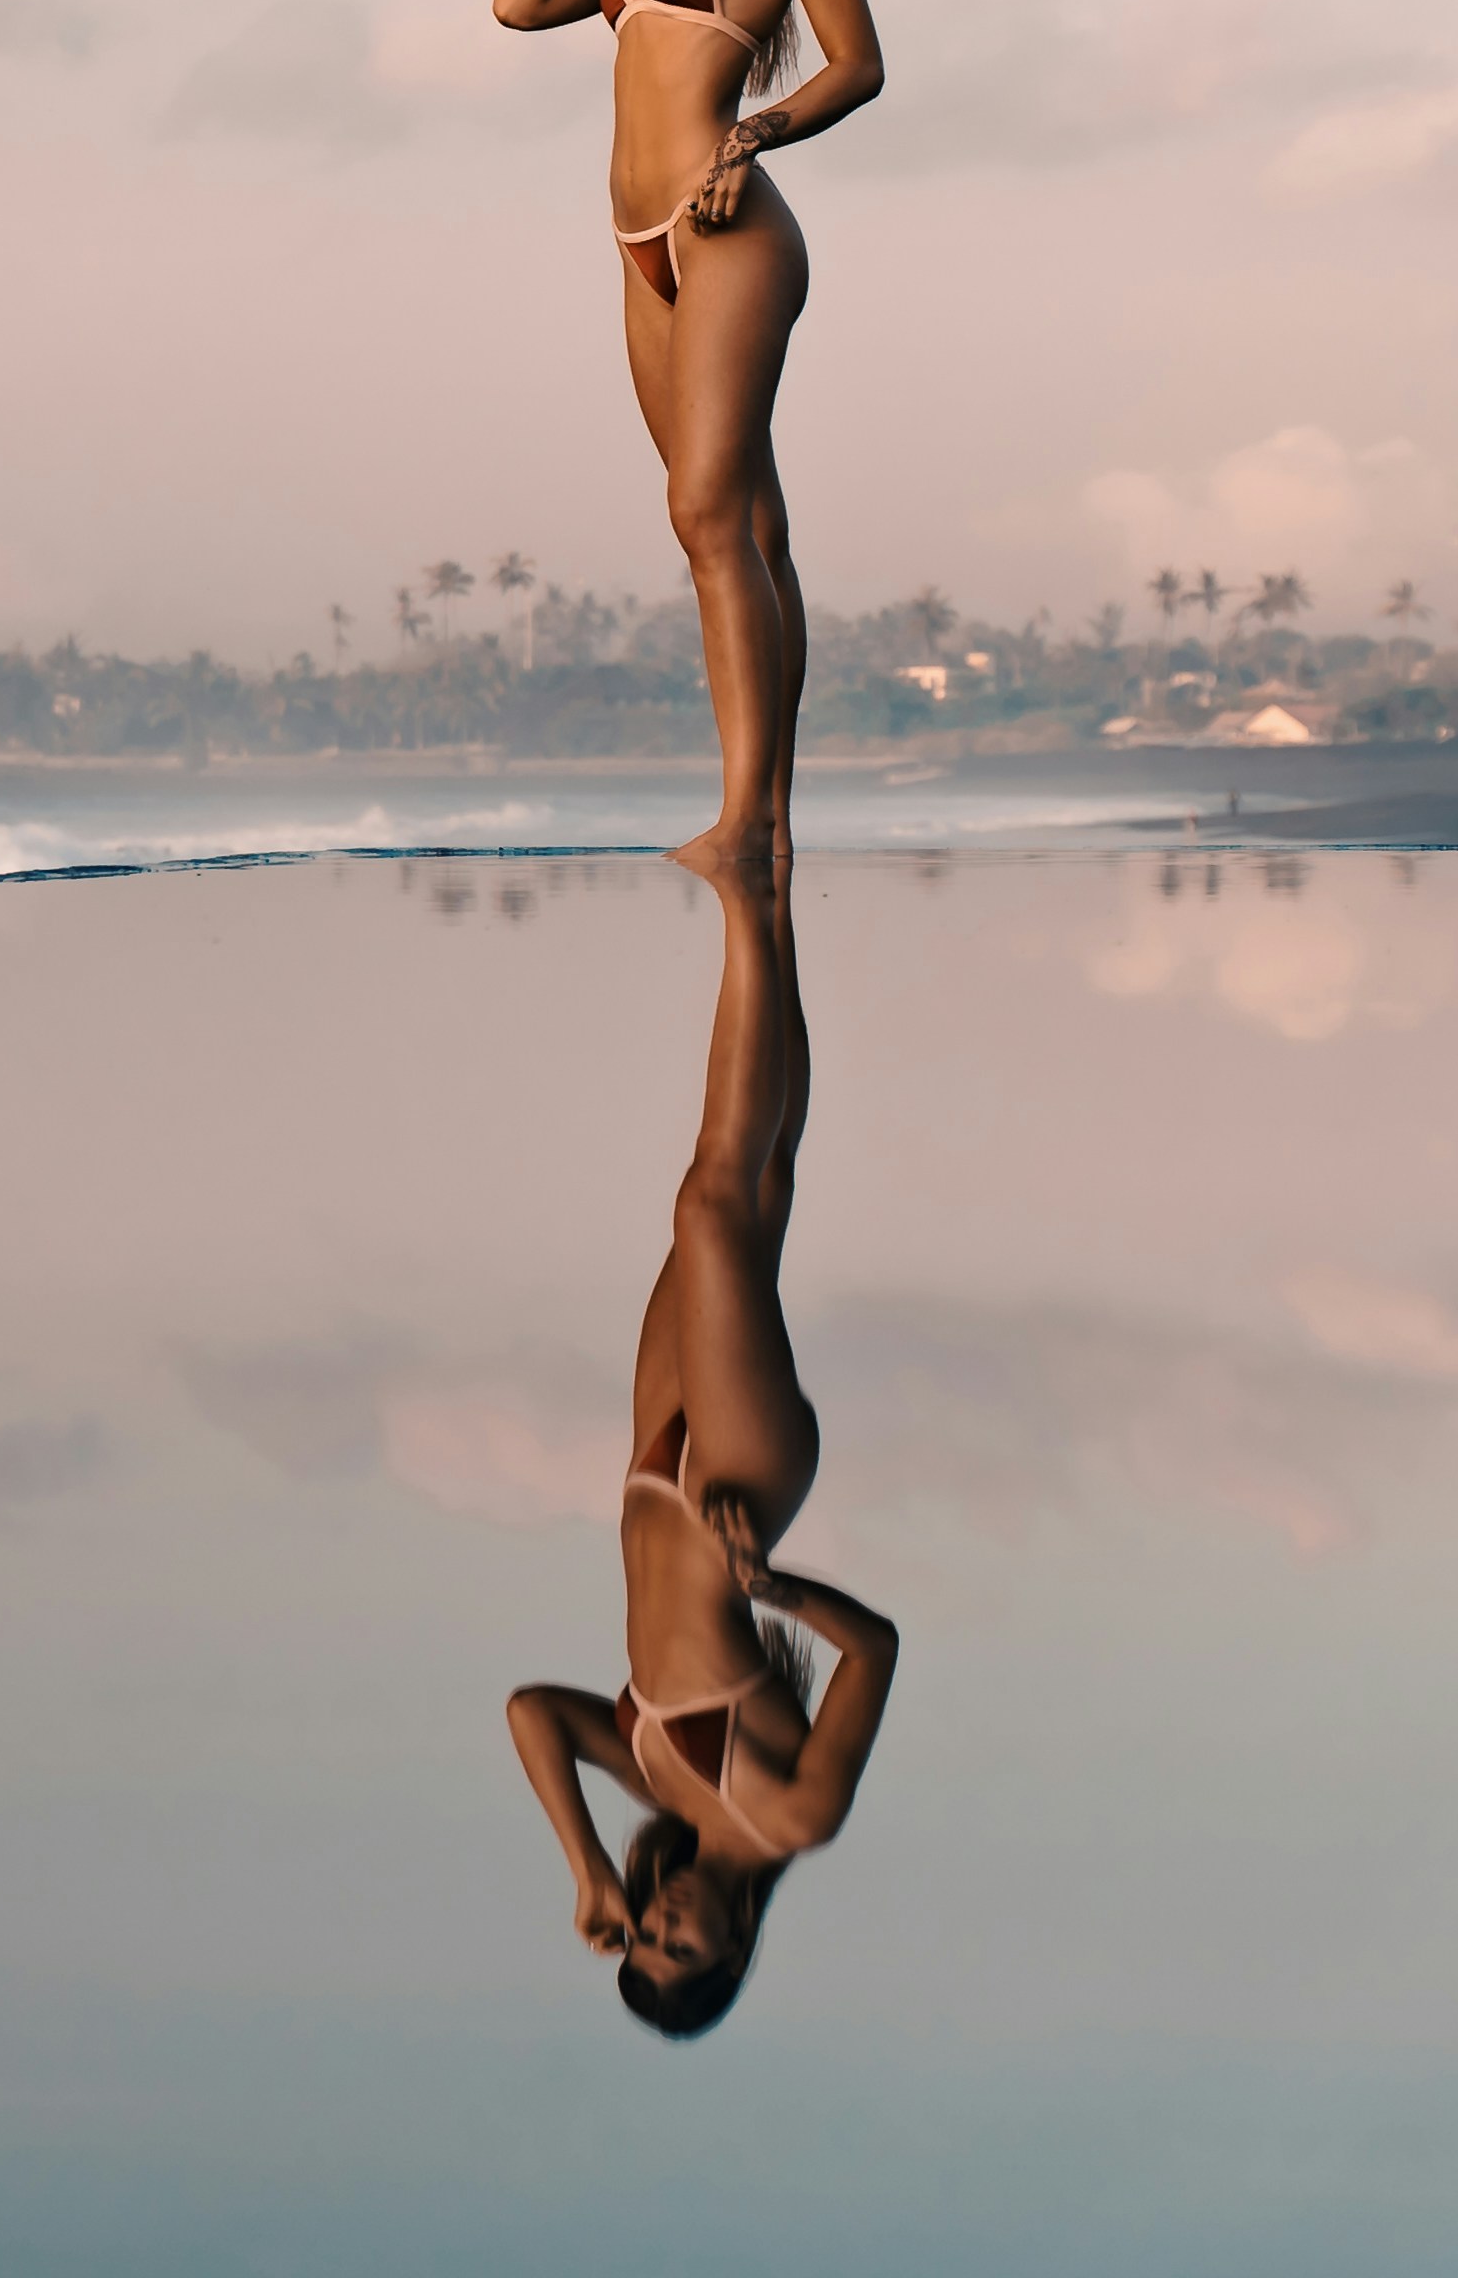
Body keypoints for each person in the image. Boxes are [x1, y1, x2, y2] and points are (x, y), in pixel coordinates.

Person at [490, 0, 887, 878]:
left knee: (708, 512)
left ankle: (748, 822)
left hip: (730, 229)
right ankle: (762, 812)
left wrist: (754, 137)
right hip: (636, 243)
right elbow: (519, 4)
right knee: (743, 520)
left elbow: (860, 63)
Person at [503, 862, 900, 2039]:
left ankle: (765, 851)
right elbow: (875, 1650)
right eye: (686, 1944)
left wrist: (585, 1868)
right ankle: (745, 895)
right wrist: (776, 1588)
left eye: (649, 1932)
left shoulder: (648, 1788)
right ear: (736, 1953)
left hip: (648, 1465)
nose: (666, 1918)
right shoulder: (792, 1817)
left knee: (759, 1187)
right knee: (712, 1207)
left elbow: (531, 1710)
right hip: (739, 1480)